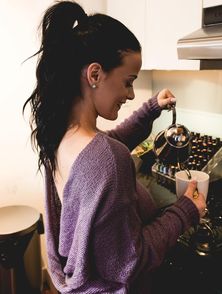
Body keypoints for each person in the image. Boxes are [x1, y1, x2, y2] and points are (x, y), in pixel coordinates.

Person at [23, 1, 207, 293]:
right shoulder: (108, 159)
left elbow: (107, 146)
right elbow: (130, 260)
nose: (131, 94)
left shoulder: (58, 134)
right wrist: (186, 210)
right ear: (95, 75)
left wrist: (151, 108)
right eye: (128, 82)